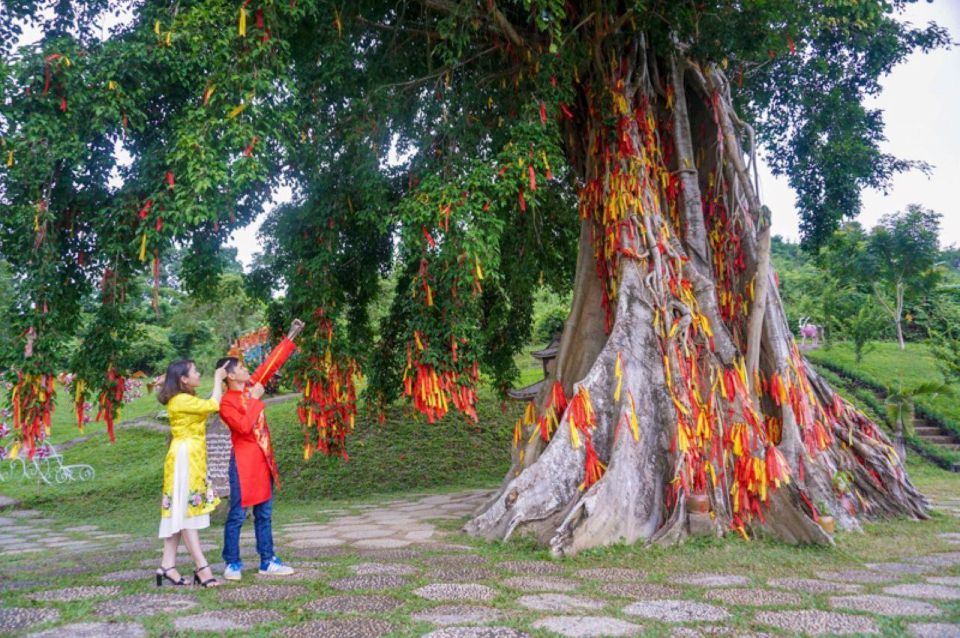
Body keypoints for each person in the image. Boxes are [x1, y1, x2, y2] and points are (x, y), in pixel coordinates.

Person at [217, 319, 304, 580]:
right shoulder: (227, 403)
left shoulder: (251, 386)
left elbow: (271, 364)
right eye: (241, 367)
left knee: (264, 513)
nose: (246, 369)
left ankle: (267, 560)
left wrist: (291, 335)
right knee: (237, 514)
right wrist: (255, 399)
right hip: (242, 463)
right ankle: (232, 562)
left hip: (261, 460)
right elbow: (243, 427)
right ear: (230, 375)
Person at [155, 359, 229, 588]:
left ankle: (167, 565)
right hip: (185, 458)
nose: (199, 374)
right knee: (187, 512)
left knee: (179, 509)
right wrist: (218, 379)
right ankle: (202, 567)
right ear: (184, 379)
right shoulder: (181, 400)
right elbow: (214, 405)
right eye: (195, 371)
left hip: (190, 456)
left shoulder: (185, 399)